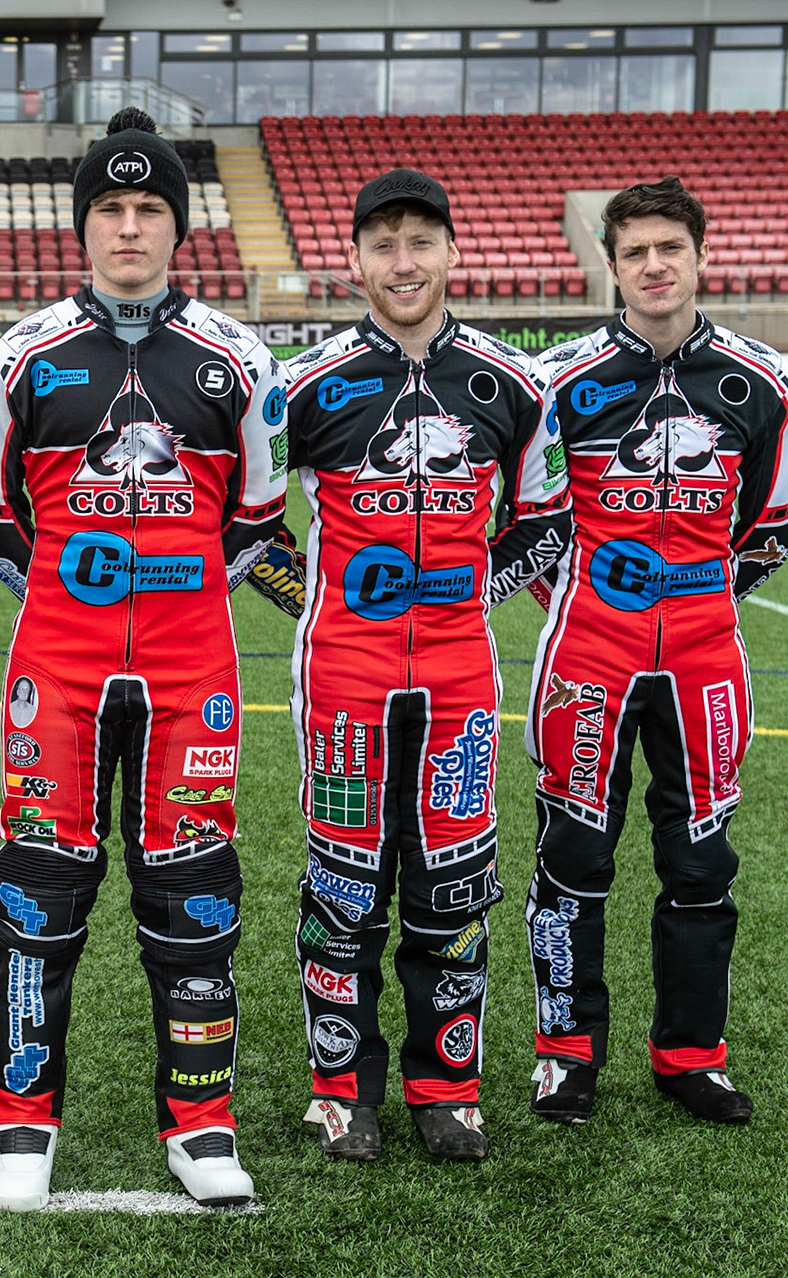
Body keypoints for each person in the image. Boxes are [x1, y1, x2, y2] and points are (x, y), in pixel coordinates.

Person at [0, 107, 288, 1209]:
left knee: (192, 888)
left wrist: (177, 597)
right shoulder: (21, 356)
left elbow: (258, 516)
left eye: (151, 210)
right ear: (83, 225)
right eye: (111, 208)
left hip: (194, 674)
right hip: (56, 669)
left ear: (178, 228)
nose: (131, 228)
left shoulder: (241, 358)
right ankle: (23, 1121)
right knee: (40, 890)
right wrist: (72, 602)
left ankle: (199, 1124)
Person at [247, 169, 567, 1162]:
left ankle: (447, 1088)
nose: (402, 263)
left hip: (462, 683)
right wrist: (321, 603)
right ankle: (343, 1091)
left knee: (456, 885)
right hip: (342, 679)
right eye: (382, 244)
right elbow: (252, 528)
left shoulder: (515, 383)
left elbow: (548, 521)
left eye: (419, 241)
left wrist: (477, 594)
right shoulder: (302, 385)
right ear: (354, 260)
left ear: (450, 253)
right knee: (344, 887)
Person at [520, 176, 788, 1127]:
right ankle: (566, 1056)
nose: (652, 266)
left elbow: (774, 525)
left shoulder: (764, 380)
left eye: (669, 249)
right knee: (571, 858)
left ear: (699, 257)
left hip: (706, 659)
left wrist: (700, 599)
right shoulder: (555, 379)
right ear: (611, 266)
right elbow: (524, 521)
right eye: (634, 251)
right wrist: (581, 599)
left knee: (701, 863)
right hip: (586, 656)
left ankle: (692, 1055)